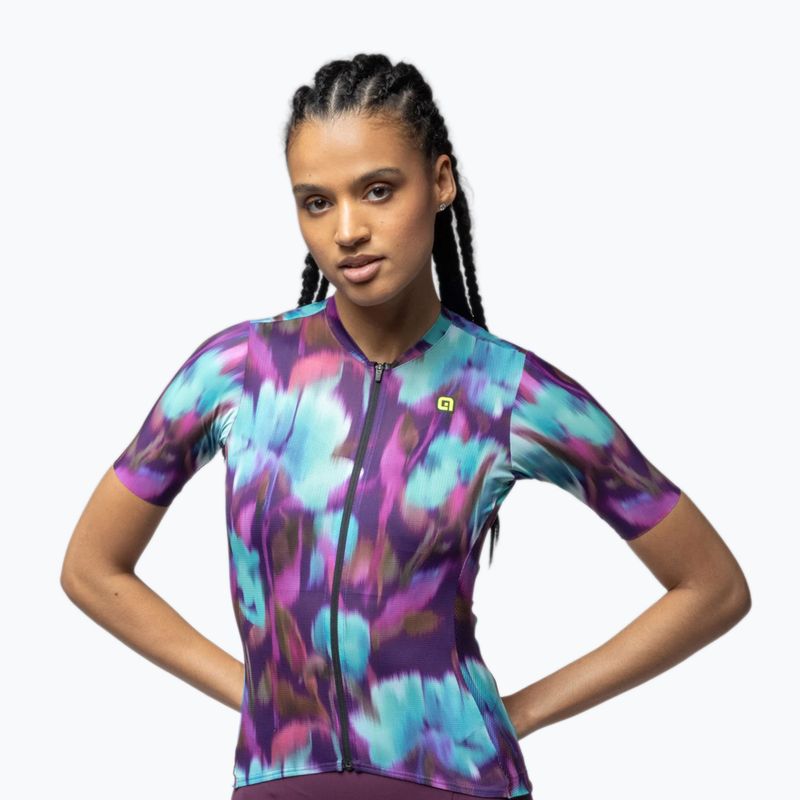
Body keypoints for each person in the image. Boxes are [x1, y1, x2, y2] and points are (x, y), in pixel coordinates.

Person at [61, 53, 751, 800]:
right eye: (316, 202)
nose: (347, 230)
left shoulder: (506, 390)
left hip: (456, 782)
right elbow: (92, 568)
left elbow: (711, 588)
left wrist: (517, 713)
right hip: (280, 781)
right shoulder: (240, 369)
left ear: (441, 182)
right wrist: (261, 694)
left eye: (378, 190)